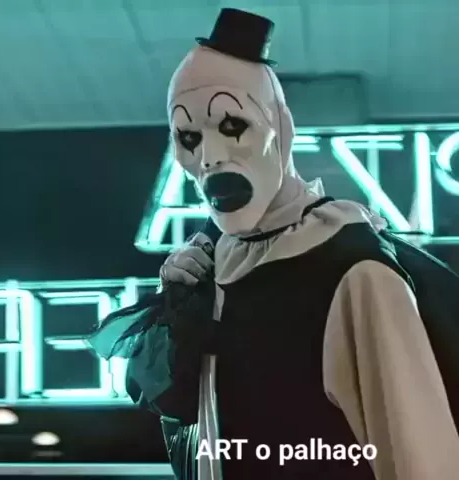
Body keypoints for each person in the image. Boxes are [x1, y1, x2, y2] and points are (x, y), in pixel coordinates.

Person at [89, 8, 459, 480]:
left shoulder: (353, 270)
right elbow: (181, 410)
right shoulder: (215, 267)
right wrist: (178, 308)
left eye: (232, 126)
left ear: (280, 129)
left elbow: (420, 457)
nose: (211, 156)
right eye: (189, 137)